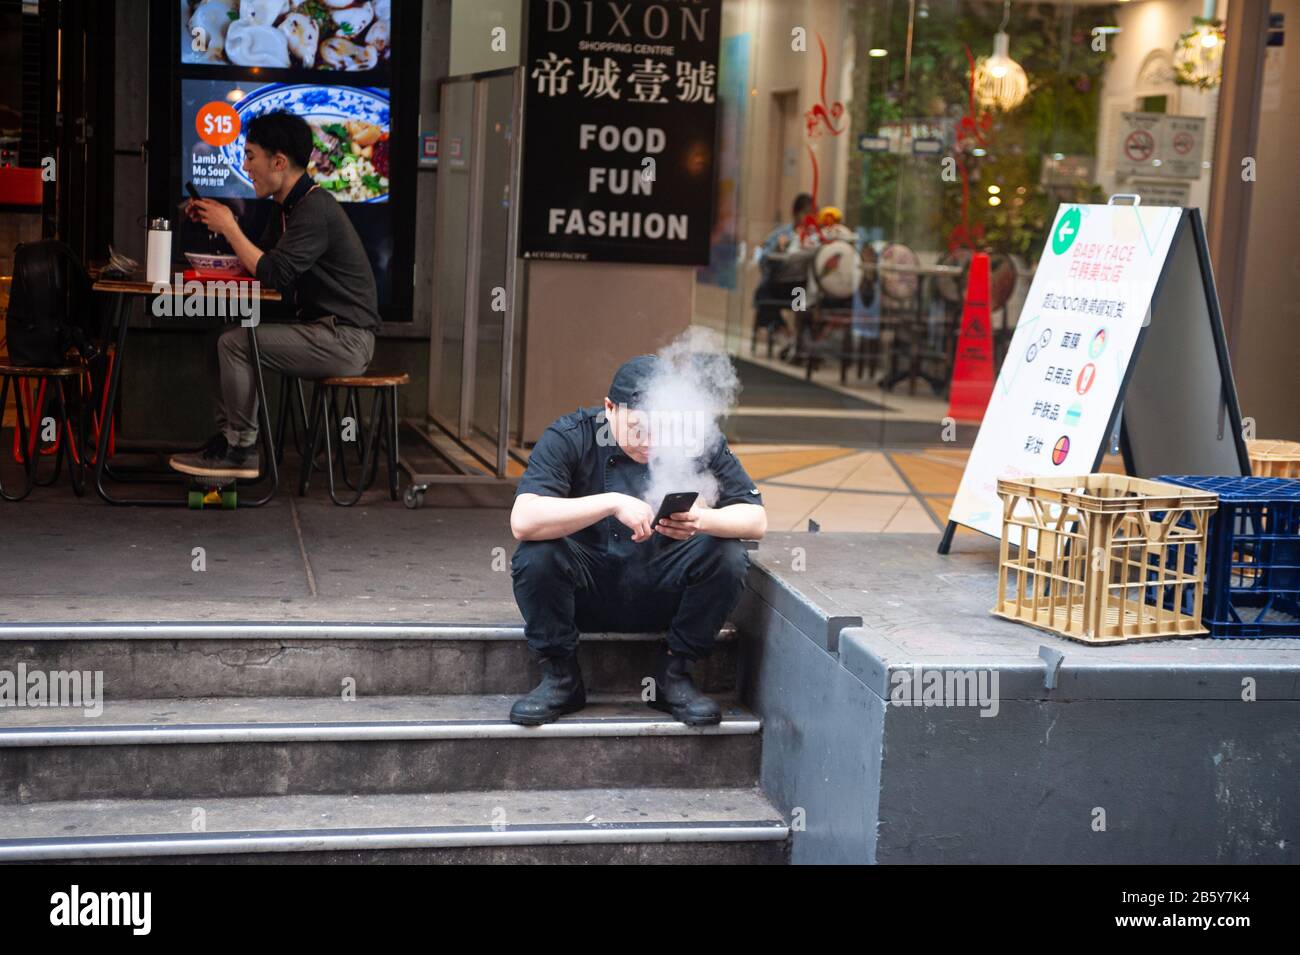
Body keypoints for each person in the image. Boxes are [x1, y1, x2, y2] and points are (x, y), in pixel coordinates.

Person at [509, 355, 767, 727]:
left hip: (662, 589)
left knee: (727, 551)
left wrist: (703, 519)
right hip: (586, 592)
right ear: (609, 408)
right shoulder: (571, 435)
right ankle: (561, 678)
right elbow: (523, 520)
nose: (651, 443)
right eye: (638, 429)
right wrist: (611, 503)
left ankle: (675, 675)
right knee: (538, 552)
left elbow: (756, 519)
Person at [169, 110, 379, 478]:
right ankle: (227, 439)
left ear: (279, 161)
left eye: (250, 156)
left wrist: (230, 226)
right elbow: (261, 267)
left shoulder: (314, 208)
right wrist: (214, 222)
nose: (246, 167)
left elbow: (275, 274)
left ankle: (242, 450)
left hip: (345, 339)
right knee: (219, 338)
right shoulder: (288, 207)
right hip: (323, 331)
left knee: (233, 343)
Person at [752, 192, 815, 357]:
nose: (808, 218)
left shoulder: (814, 237)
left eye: (812, 214)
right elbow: (763, 259)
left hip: (800, 286)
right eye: (806, 213)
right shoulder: (781, 234)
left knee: (803, 306)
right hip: (779, 285)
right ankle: (784, 332)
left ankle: (799, 342)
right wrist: (779, 248)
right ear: (796, 213)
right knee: (762, 296)